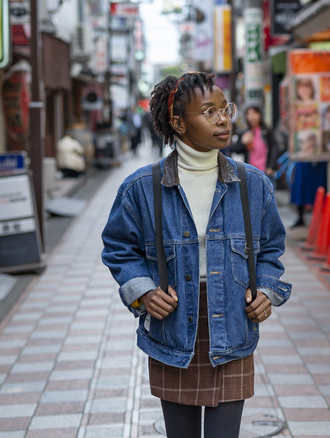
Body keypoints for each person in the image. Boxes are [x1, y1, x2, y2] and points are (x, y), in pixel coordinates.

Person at [101, 72, 292, 438]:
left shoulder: (253, 184)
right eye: (209, 112)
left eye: (225, 109)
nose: (224, 120)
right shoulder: (144, 186)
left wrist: (267, 290)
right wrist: (142, 290)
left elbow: (270, 248)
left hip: (234, 326)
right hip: (173, 330)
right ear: (178, 123)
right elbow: (118, 248)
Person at [230, 105, 280, 176]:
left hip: (265, 172)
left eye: (254, 113)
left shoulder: (266, 131)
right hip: (250, 172)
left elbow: (274, 149)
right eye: (249, 114)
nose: (252, 117)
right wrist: (243, 142)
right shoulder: (244, 133)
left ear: (260, 115)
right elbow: (236, 150)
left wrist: (271, 166)